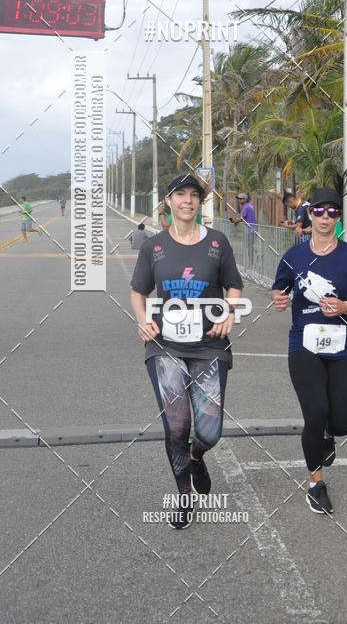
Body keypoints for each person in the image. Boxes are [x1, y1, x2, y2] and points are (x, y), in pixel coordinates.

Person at [130, 173, 243, 529]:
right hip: (164, 347)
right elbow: (139, 291)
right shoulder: (153, 247)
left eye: (194, 195)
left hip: (210, 345)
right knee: (177, 426)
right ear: (168, 201)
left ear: (199, 202)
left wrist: (229, 311)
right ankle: (184, 495)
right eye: (181, 194)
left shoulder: (218, 243)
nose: (188, 200)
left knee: (209, 432)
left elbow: (234, 286)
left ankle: (196, 458)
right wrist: (142, 321)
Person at [272, 187, 347, 515]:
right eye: (319, 211)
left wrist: (346, 306)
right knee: (315, 413)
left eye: (332, 212)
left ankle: (330, 433)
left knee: (342, 421)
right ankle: (316, 484)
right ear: (309, 214)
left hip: (344, 347)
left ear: (338, 217)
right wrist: (279, 299)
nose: (325, 217)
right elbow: (279, 289)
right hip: (304, 345)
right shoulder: (295, 256)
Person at [232, 193, 258, 266]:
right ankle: (254, 258)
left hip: (250, 229)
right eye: (238, 199)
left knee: (248, 246)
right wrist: (236, 221)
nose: (239, 200)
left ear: (245, 199)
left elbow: (242, 218)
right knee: (249, 245)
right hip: (253, 228)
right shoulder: (249, 205)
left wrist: (235, 221)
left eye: (241, 199)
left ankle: (256, 256)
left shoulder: (246, 207)